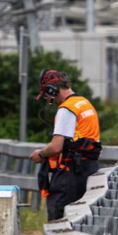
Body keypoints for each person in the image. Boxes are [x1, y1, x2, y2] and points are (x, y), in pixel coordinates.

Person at [28, 69, 101, 223]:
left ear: (51, 89)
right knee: (80, 219)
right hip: (89, 169)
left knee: (58, 214)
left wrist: (41, 154)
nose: (48, 99)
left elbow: (56, 147)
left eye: (46, 94)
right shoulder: (84, 103)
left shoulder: (66, 109)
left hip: (70, 172)